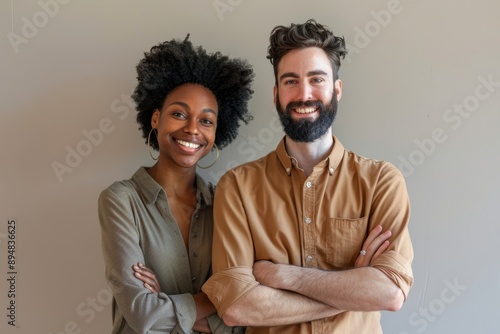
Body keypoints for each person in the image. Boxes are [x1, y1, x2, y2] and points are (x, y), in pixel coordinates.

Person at [201, 19, 414, 333]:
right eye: (290, 81)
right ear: (276, 94)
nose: (304, 94)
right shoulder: (238, 187)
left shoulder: (382, 181)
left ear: (336, 89)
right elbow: (237, 306)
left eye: (317, 79)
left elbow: (390, 293)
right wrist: (354, 290)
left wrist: (287, 277)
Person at [98, 35, 254, 334]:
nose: (192, 129)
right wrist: (216, 299)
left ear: (217, 132)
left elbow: (242, 316)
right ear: (155, 118)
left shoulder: (226, 202)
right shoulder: (120, 201)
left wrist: (165, 302)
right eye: (179, 114)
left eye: (206, 121)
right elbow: (144, 317)